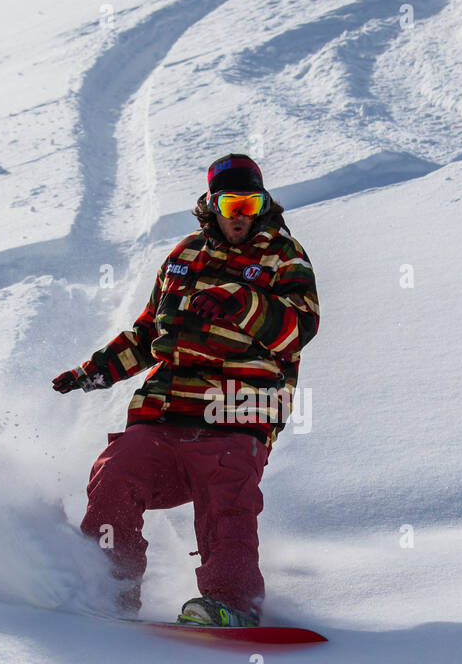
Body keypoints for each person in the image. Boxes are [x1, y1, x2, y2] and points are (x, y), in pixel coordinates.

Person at [52, 154, 319, 627]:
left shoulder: (284, 257)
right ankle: (107, 587)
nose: (240, 214)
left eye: (250, 202)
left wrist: (242, 300)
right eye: (231, 202)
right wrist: (95, 371)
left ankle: (231, 603)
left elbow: (298, 329)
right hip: (166, 412)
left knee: (226, 494)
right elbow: (146, 334)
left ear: (263, 203)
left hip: (238, 413)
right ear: (212, 204)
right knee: (116, 474)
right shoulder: (184, 256)